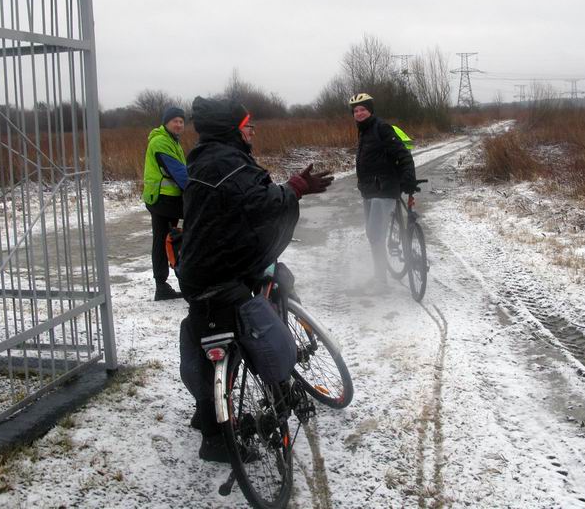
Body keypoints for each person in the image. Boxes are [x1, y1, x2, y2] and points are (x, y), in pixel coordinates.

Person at [178, 96, 333, 462]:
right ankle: (227, 430)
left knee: (207, 337)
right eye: (248, 125)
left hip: (196, 269)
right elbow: (265, 203)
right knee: (252, 330)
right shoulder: (230, 162)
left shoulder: (204, 158)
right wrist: (296, 187)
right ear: (233, 129)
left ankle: (207, 414)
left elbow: (240, 201)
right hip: (224, 269)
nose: (252, 130)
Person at [349, 92, 417, 288]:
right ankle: (380, 275)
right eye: (356, 111)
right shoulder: (363, 130)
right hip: (369, 190)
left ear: (370, 110)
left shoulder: (382, 128)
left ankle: (380, 281)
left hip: (384, 190)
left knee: (375, 235)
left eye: (363, 109)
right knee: (373, 235)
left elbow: (403, 154)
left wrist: (408, 178)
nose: (359, 113)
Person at [141, 106, 188, 301]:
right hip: (163, 199)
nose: (178, 124)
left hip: (165, 198)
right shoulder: (161, 142)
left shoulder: (172, 141)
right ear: (166, 122)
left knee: (164, 239)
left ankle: (163, 285)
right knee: (171, 237)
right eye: (175, 121)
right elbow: (179, 172)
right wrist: (199, 192)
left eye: (181, 121)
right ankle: (179, 280)